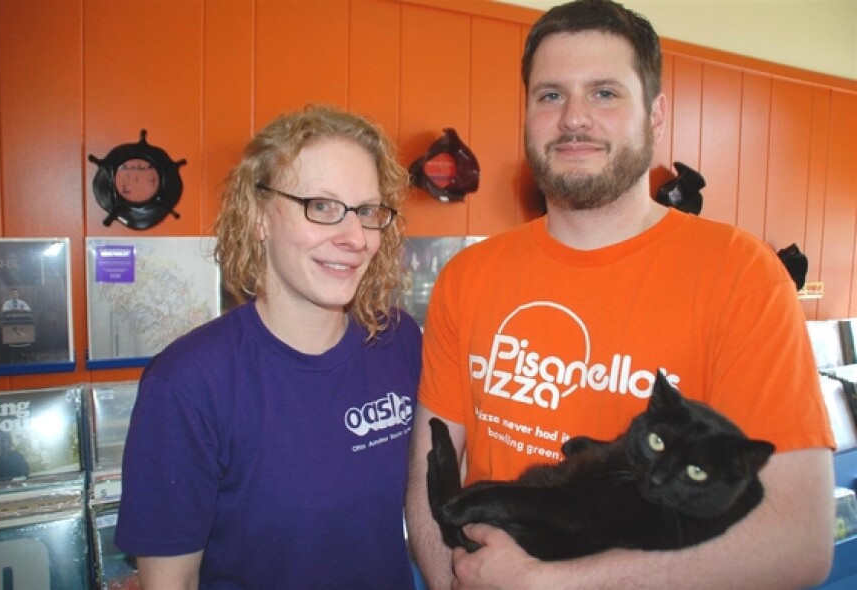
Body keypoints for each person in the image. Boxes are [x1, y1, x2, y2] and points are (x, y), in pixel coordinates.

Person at [404, 1, 835, 588]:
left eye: (605, 93)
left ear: (655, 116)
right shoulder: (468, 275)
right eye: (550, 95)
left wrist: (545, 584)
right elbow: (432, 469)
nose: (573, 119)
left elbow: (799, 541)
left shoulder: (741, 274)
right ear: (526, 113)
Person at [115, 105, 422, 589]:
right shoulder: (188, 383)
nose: (354, 237)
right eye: (321, 206)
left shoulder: (397, 340)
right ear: (260, 218)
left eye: (367, 211)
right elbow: (169, 582)